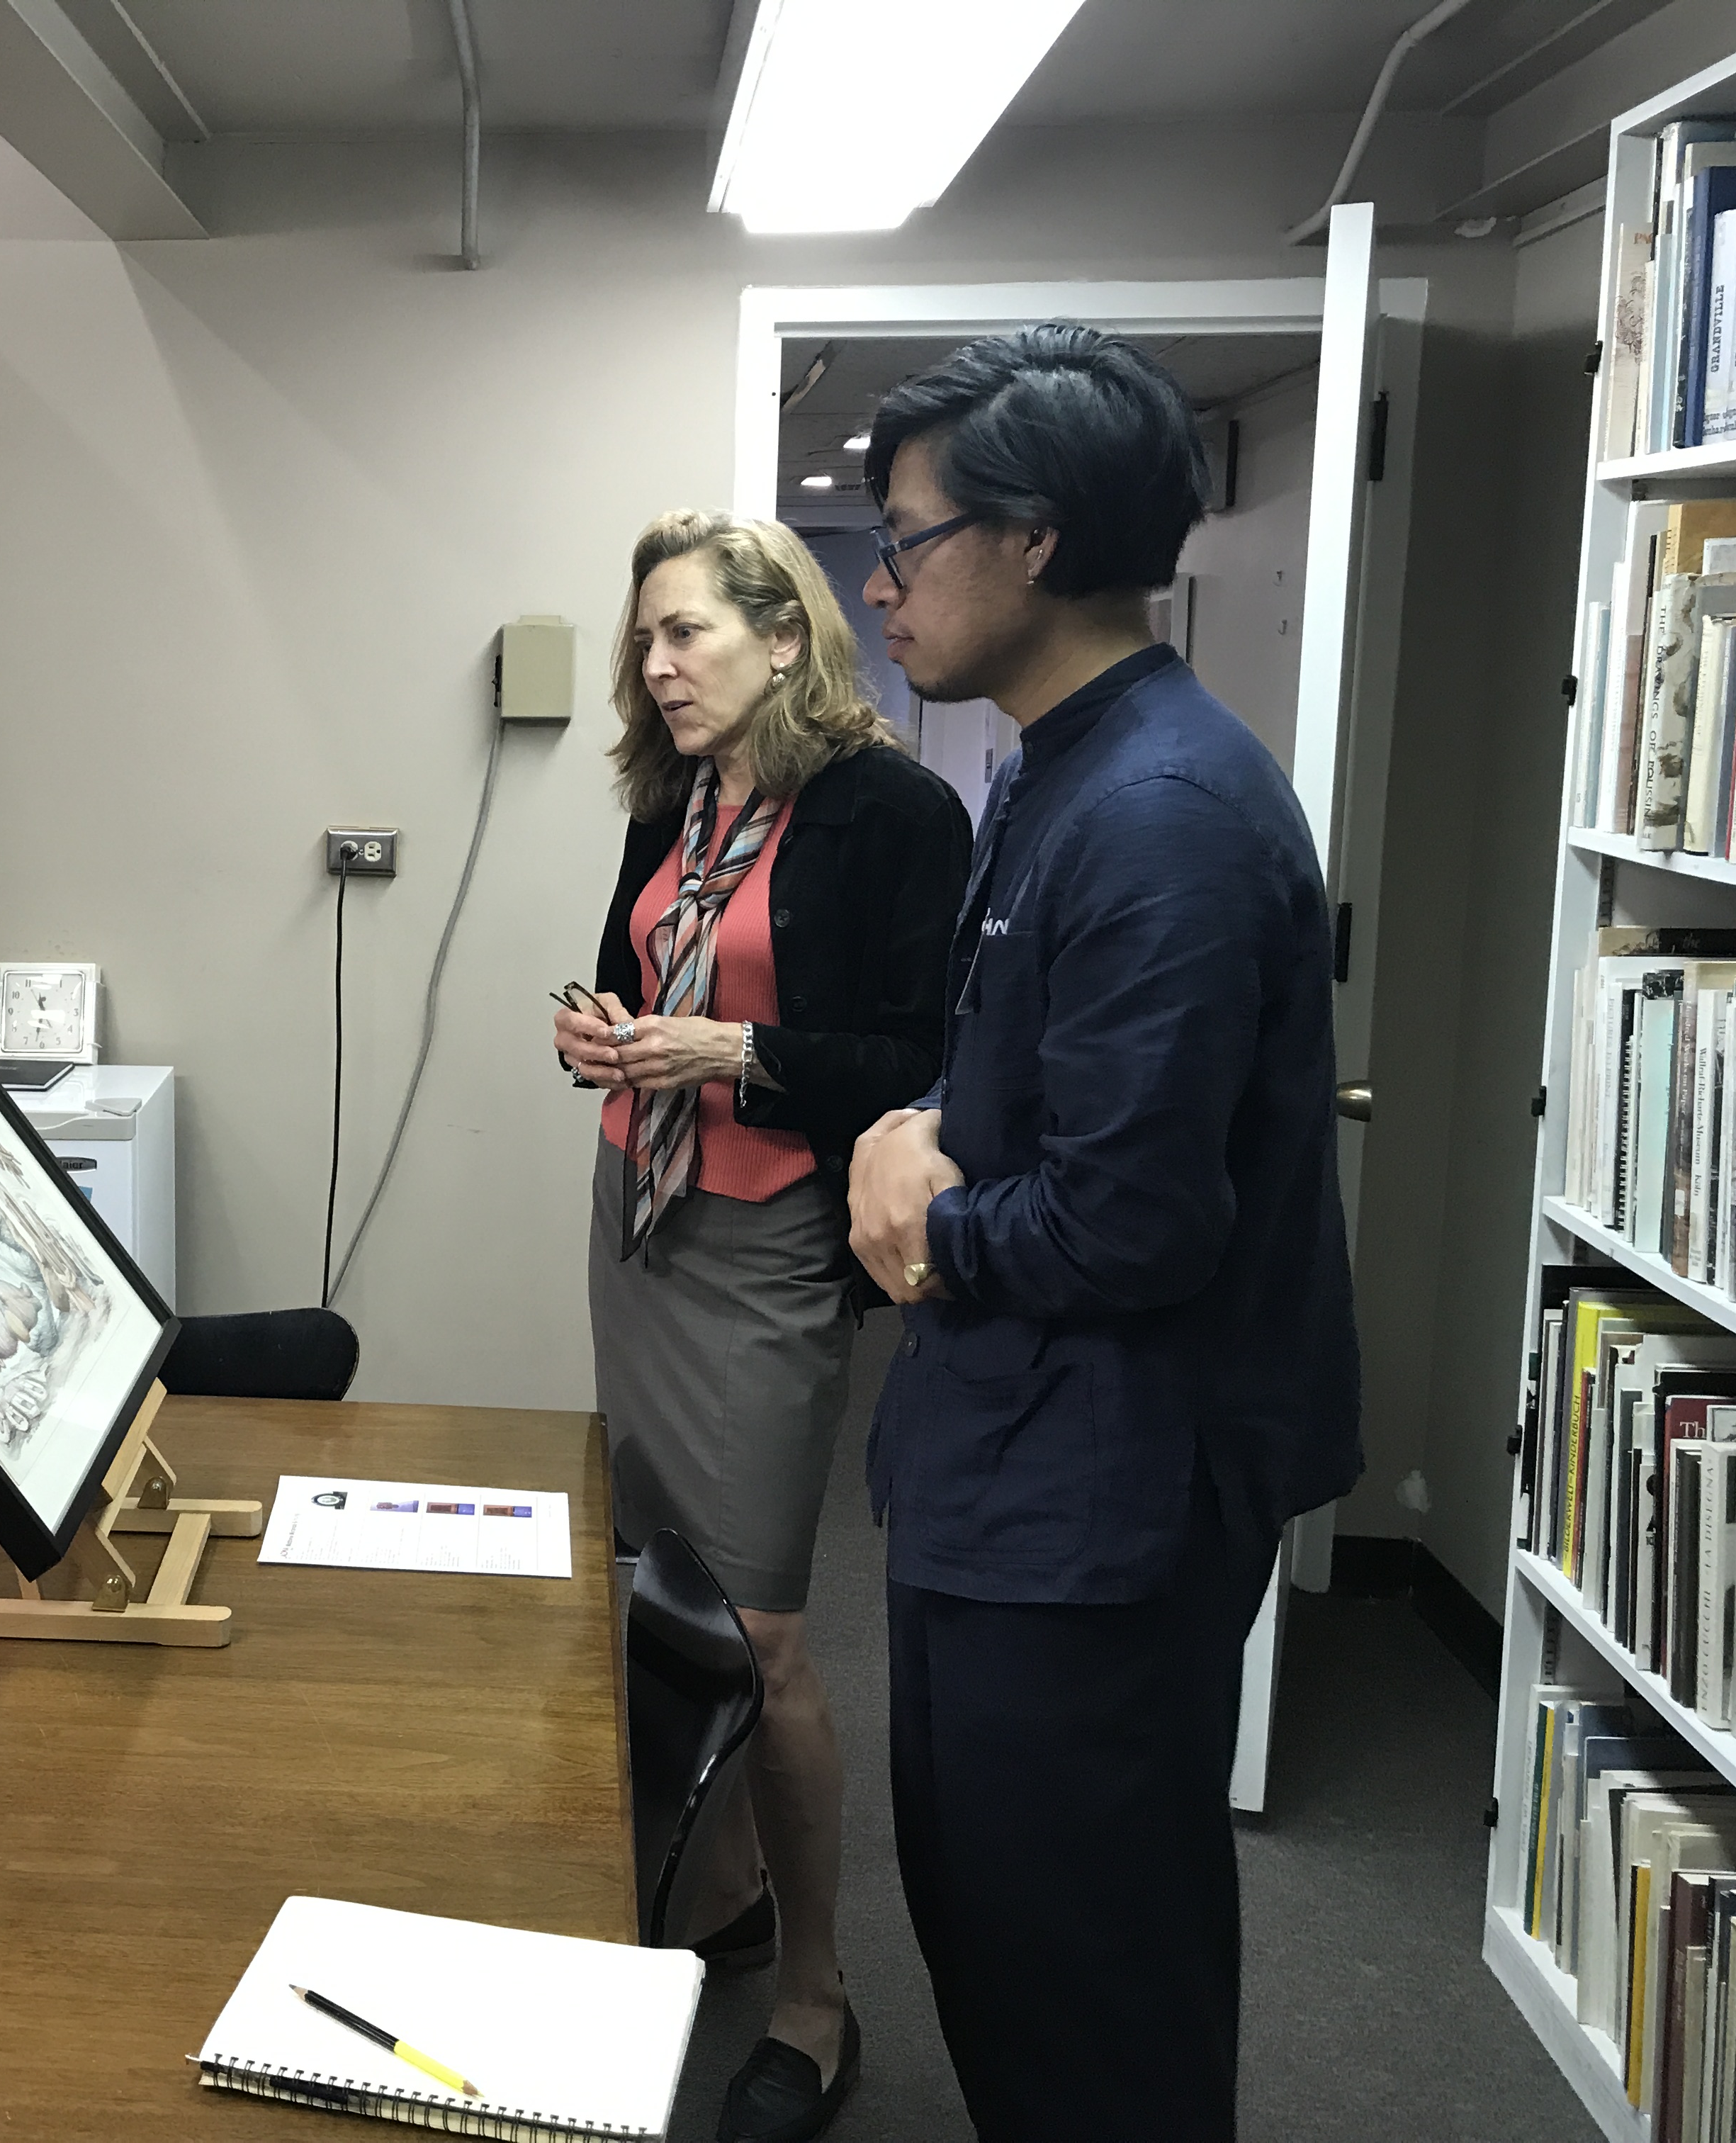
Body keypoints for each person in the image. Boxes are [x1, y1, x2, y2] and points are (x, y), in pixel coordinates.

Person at [844, 325, 1363, 2143]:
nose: (881, 579)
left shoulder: (1157, 811)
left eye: (906, 536)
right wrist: (923, 1133)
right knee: (998, 1939)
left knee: (1086, 1982)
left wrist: (929, 1216)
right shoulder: (1051, 760)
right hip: (1012, 1462)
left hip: (1098, 1505)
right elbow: (1039, 1094)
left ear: (1036, 539)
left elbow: (1136, 1221)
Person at [556, 509, 969, 2143]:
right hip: (635, 1217)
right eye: (642, 641)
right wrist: (603, 1035)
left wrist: (723, 1053)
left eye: (686, 635)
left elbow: (920, 1059)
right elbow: (627, 981)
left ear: (784, 636)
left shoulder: (890, 810)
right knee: (652, 1582)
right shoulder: (682, 796)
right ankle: (718, 1889)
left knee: (765, 1633)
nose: (655, 668)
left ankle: (816, 1995)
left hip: (766, 1244)